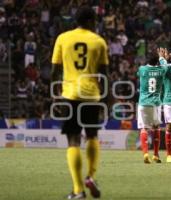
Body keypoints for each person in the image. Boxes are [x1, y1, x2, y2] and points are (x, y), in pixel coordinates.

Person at [51, 6, 109, 199]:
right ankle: (91, 176)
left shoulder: (63, 38)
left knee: (73, 140)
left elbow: (54, 72)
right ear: (91, 21)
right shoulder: (99, 42)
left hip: (70, 95)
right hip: (91, 95)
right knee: (92, 135)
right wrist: (107, 100)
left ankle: (77, 190)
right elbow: (105, 75)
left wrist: (56, 94)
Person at [137, 50, 167, 164]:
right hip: (156, 103)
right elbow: (165, 65)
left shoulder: (142, 69)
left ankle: (145, 153)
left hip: (144, 103)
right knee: (156, 128)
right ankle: (155, 154)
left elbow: (139, 73)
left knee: (144, 128)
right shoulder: (161, 70)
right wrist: (162, 58)